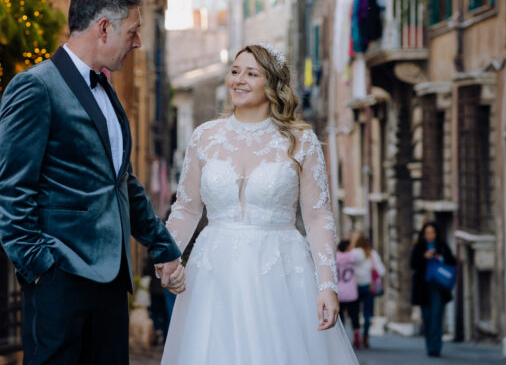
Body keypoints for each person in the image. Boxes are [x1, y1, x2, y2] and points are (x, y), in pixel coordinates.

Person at [0, 0, 186, 364]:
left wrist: (163, 246)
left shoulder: (107, 92)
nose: (138, 43)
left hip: (111, 283)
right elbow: (11, 191)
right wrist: (39, 268)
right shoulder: (34, 87)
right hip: (58, 278)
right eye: (132, 31)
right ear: (103, 28)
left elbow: (122, 182)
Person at [160, 44, 359, 364]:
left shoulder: (301, 140)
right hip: (213, 272)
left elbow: (318, 215)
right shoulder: (205, 136)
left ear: (272, 84)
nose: (239, 80)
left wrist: (327, 284)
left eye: (252, 74)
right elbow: (186, 207)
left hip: (279, 271)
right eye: (235, 71)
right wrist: (167, 256)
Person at [410, 222, 457, 357]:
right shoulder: (419, 246)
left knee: (437, 315)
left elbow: (452, 262)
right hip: (423, 287)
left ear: (436, 233)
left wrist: (440, 257)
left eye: (432, 232)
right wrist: (424, 257)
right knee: (427, 317)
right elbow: (412, 264)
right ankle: (429, 345)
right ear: (424, 234)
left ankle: (435, 347)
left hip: (438, 287)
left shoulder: (442, 246)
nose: (430, 235)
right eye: (428, 233)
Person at [351, 234, 386, 348]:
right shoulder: (372, 254)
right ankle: (366, 335)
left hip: (354, 287)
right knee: (367, 313)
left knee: (355, 313)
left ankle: (356, 333)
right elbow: (382, 271)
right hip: (368, 287)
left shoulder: (353, 253)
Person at [336, 239, 361, 349]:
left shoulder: (335, 257)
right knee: (354, 316)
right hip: (351, 292)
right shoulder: (352, 257)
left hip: (339, 293)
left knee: (341, 318)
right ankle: (356, 333)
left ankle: (341, 337)